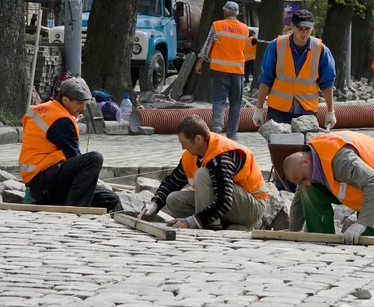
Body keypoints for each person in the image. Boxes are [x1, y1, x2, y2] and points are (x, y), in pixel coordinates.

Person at [138, 115, 268, 230]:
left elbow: (224, 201)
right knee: (173, 199)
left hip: (253, 207)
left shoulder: (222, 157)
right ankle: (225, 225)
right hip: (232, 205)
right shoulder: (191, 155)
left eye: (184, 143)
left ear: (198, 139)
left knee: (202, 174)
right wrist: (154, 206)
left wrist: (191, 222)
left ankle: (210, 227)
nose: (182, 147)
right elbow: (172, 182)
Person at [283, 131, 374, 244]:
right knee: (309, 189)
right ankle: (322, 239)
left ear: (305, 161)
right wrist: (293, 231)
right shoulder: (313, 159)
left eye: (304, 178)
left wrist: (360, 224)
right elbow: (300, 198)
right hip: (363, 183)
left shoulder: (341, 160)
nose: (307, 182)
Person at [19, 77, 120, 211]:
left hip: (39, 179)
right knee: (94, 159)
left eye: (84, 103)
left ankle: (53, 204)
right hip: (43, 180)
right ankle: (73, 211)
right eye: (79, 103)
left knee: (110, 199)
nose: (83, 108)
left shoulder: (46, 110)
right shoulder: (61, 121)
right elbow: (74, 158)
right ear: (65, 100)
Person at [252, 9, 337, 128]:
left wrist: (330, 111)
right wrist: (259, 108)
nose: (304, 33)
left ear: (312, 27)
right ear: (292, 25)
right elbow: (266, 79)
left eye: (307, 29)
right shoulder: (276, 46)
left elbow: (327, 83)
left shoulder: (321, 50)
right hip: (278, 111)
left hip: (306, 111)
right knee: (279, 145)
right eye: (300, 28)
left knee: (304, 147)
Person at [195, 1, 248, 140]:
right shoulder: (245, 29)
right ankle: (232, 134)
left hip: (219, 70)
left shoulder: (217, 25)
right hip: (237, 71)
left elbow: (207, 45)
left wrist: (200, 62)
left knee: (219, 100)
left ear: (225, 11)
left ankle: (217, 127)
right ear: (237, 13)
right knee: (236, 103)